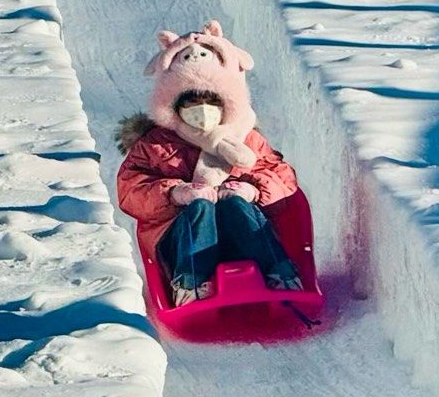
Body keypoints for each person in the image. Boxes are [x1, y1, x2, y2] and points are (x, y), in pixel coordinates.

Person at [115, 23, 308, 310]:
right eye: (192, 107)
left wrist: (252, 190)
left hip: (241, 234)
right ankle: (191, 283)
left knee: (235, 205)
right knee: (201, 207)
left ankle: (279, 273)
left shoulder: (245, 139)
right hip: (181, 239)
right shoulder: (155, 145)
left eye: (211, 105)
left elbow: (283, 177)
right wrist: (174, 193)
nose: (203, 115)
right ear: (174, 107)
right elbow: (130, 189)